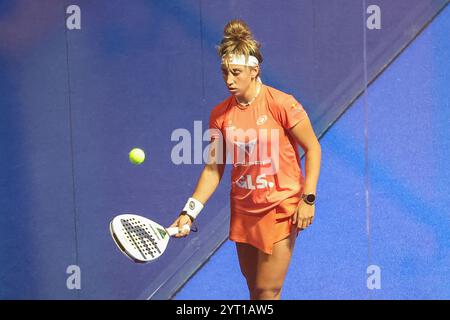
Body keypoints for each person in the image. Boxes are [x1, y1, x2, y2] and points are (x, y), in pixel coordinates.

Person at [170, 19, 321, 300]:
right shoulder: (220, 115)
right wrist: (189, 212)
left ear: (254, 70)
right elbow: (214, 168)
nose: (229, 80)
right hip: (244, 210)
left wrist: (308, 198)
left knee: (267, 292)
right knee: (254, 289)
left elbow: (312, 148)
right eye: (225, 72)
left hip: (280, 207)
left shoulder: (281, 103)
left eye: (236, 73)